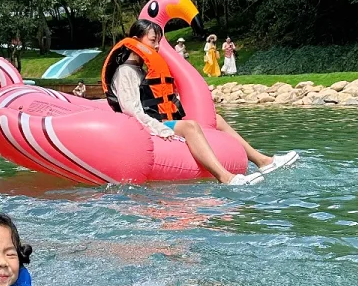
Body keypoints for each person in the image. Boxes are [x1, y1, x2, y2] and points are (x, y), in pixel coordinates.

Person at [103, 18, 298, 186]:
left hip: (159, 118)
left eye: (158, 42)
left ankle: (263, 161)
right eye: (153, 40)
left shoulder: (140, 70)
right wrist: (160, 128)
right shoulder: (126, 72)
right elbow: (132, 111)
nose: (156, 47)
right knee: (190, 126)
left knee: (217, 119)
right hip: (145, 126)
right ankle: (226, 178)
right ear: (135, 41)